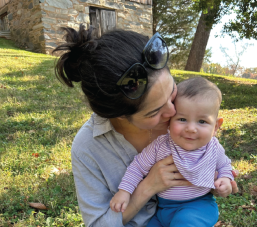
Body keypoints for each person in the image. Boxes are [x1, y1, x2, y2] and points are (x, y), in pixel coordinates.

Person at [53, 24, 238, 227]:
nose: (172, 112)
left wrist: (214, 180)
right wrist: (147, 187)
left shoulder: (185, 114)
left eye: (172, 92)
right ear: (121, 116)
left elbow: (214, 160)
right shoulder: (88, 147)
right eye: (155, 112)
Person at [110, 77, 233, 227]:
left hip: (198, 206)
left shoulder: (213, 147)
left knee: (184, 222)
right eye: (182, 119)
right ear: (169, 121)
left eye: (202, 122)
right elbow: (137, 167)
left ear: (216, 126)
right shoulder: (161, 146)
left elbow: (225, 166)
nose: (191, 128)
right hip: (164, 210)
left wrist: (225, 179)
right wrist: (124, 191)